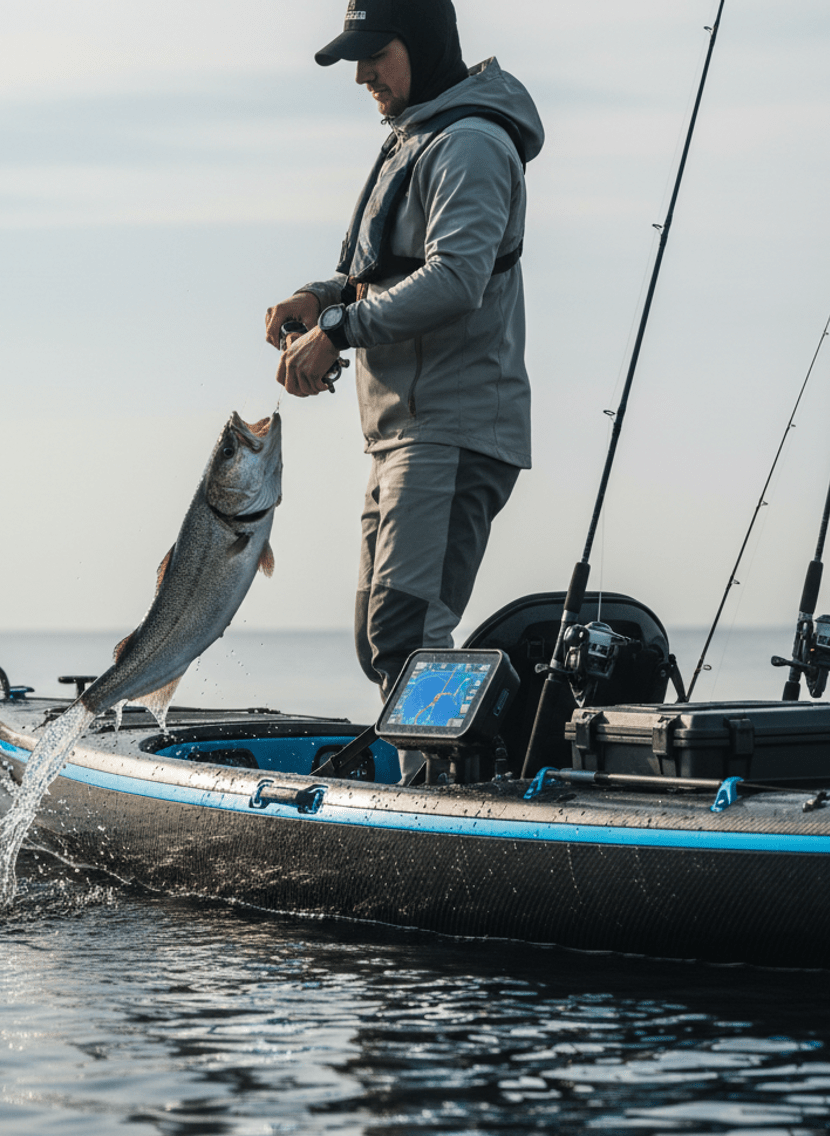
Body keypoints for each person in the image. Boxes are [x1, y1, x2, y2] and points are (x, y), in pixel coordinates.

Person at [265, 0, 545, 728]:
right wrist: (318, 297)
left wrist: (339, 327)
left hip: (451, 429)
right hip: (402, 431)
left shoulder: (472, 144)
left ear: (421, 44)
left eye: (374, 54)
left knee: (407, 633)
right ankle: (443, 775)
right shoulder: (414, 137)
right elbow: (384, 269)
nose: (361, 75)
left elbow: (456, 278)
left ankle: (445, 799)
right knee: (379, 636)